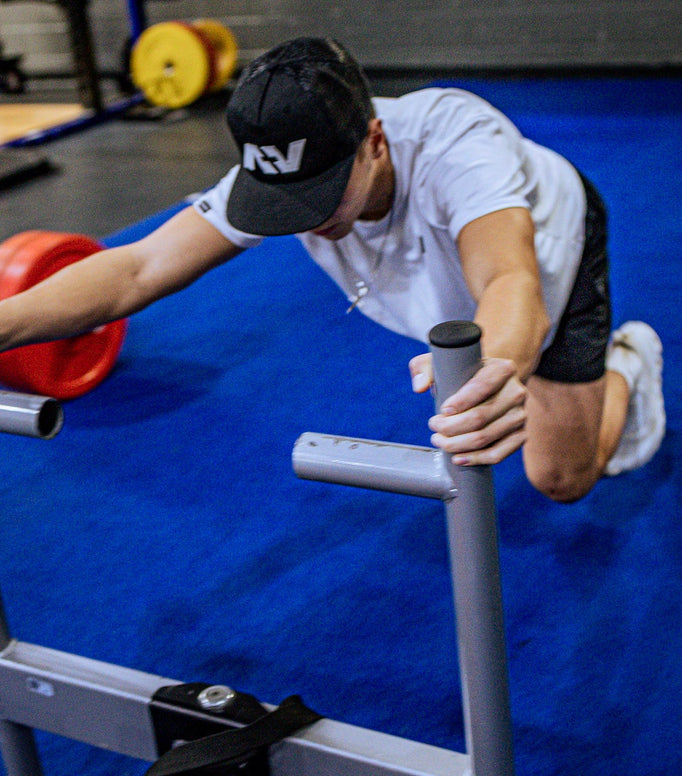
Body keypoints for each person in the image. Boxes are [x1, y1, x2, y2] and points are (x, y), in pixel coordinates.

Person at [0, 38, 665, 501]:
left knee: (561, 479)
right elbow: (137, 269)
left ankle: (630, 365)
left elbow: (510, 281)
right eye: (284, 201)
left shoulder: (459, 142)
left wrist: (497, 367)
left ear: (374, 142)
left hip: (552, 249)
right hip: (455, 290)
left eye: (322, 192)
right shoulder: (282, 163)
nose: (309, 219)